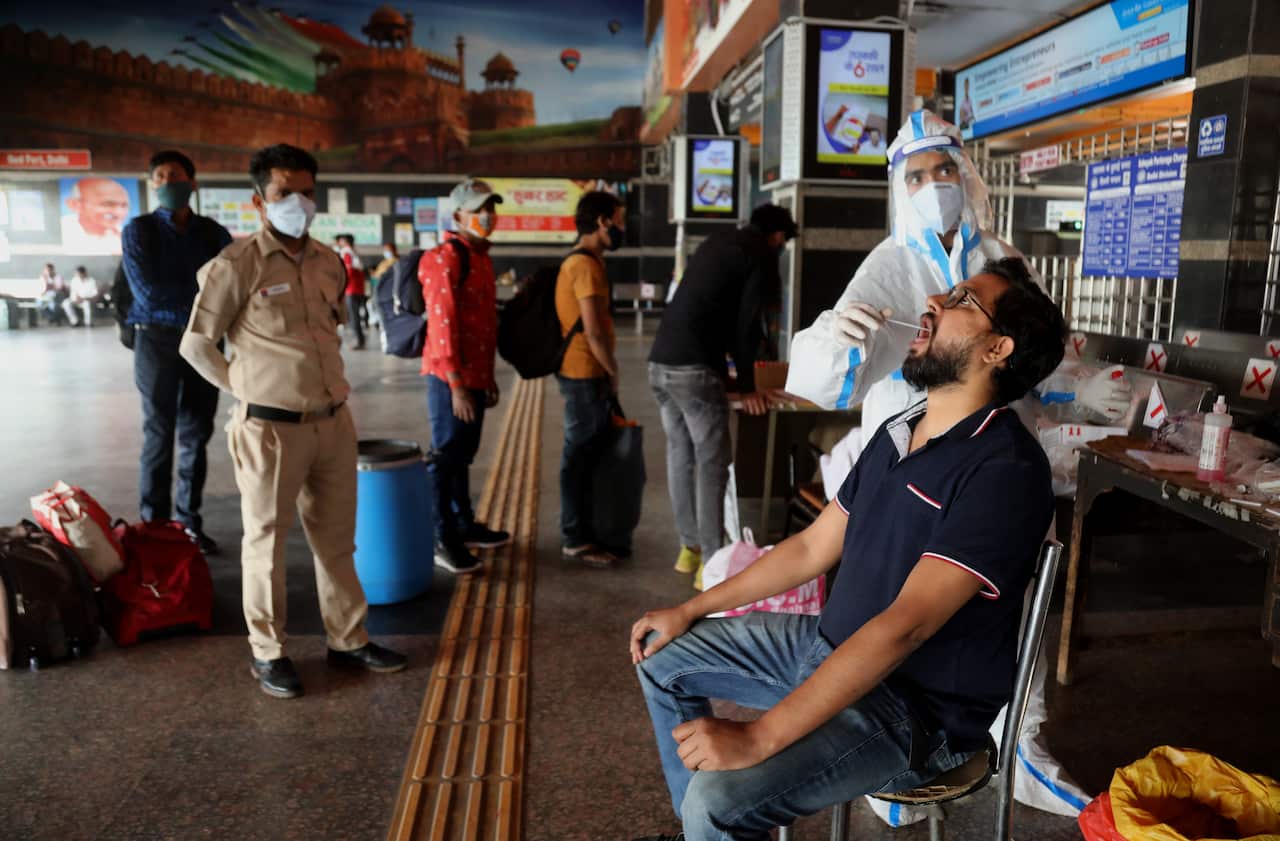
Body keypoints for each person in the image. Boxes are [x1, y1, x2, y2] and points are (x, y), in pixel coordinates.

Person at [629, 258, 1067, 841]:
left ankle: (708, 823)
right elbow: (812, 547)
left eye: (963, 298)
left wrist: (760, 736)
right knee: (662, 655)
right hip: (829, 647)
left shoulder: (1003, 468)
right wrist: (692, 608)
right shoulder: (900, 431)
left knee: (719, 799)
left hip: (913, 712)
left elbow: (905, 627)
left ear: (997, 348)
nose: (935, 297)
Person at [784, 110, 1106, 818]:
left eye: (946, 170)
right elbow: (822, 381)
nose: (936, 186)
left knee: (1008, 602)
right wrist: (831, 341)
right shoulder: (888, 265)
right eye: (920, 175)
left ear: (968, 177)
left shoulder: (1000, 256)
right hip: (914, 459)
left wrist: (1083, 387)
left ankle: (1021, 740)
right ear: (902, 186)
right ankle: (887, 748)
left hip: (1000, 458)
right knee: (900, 607)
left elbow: (1038, 353)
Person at [179, 143, 405, 699]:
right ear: (259, 201)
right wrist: (246, 389)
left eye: (307, 192)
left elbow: (329, 331)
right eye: (285, 193)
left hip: (332, 421)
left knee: (336, 543)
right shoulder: (235, 266)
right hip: (269, 429)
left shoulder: (330, 261)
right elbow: (196, 345)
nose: (298, 203)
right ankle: (269, 651)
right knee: (266, 544)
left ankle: (347, 640)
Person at [648, 204, 796, 587]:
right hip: (694, 370)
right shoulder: (759, 254)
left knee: (681, 455)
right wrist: (748, 388)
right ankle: (711, 565)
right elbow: (746, 327)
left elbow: (714, 315)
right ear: (776, 236)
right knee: (712, 464)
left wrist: (731, 379)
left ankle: (689, 550)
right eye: (783, 240)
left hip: (660, 364)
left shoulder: (719, 241)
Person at [122, 150, 233, 555]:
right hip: (157, 340)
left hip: (204, 341)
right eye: (161, 176)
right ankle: (152, 528)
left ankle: (189, 524)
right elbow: (147, 294)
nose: (169, 182)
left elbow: (231, 286)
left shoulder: (212, 233)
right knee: (158, 432)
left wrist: (206, 298)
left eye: (177, 175)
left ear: (193, 183)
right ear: (152, 184)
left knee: (196, 434)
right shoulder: (139, 231)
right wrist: (204, 294)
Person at [420, 178, 511, 575]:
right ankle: (443, 537)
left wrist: (486, 377)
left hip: (473, 377)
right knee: (445, 457)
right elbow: (443, 326)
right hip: (448, 379)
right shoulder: (446, 257)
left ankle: (463, 523)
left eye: (491, 207)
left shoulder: (482, 256)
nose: (487, 215)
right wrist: (457, 385)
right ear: (458, 216)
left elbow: (483, 324)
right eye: (479, 209)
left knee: (462, 457)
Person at [555, 190, 625, 569]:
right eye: (619, 219)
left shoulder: (585, 262)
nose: (621, 227)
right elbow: (594, 330)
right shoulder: (585, 266)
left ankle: (582, 531)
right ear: (602, 221)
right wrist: (613, 372)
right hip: (584, 373)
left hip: (582, 372)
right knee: (579, 457)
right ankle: (575, 536)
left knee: (584, 455)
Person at [62, 177, 131, 255]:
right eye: (108, 204)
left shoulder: (123, 234)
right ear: (75, 205)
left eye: (124, 206)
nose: (119, 212)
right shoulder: (63, 229)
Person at [335, 233, 367, 349]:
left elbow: (348, 272)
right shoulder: (354, 252)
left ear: (346, 241)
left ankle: (359, 341)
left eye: (341, 241)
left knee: (354, 317)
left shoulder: (347, 253)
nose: (339, 243)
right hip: (357, 289)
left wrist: (340, 285)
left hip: (351, 289)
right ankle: (360, 339)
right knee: (355, 316)